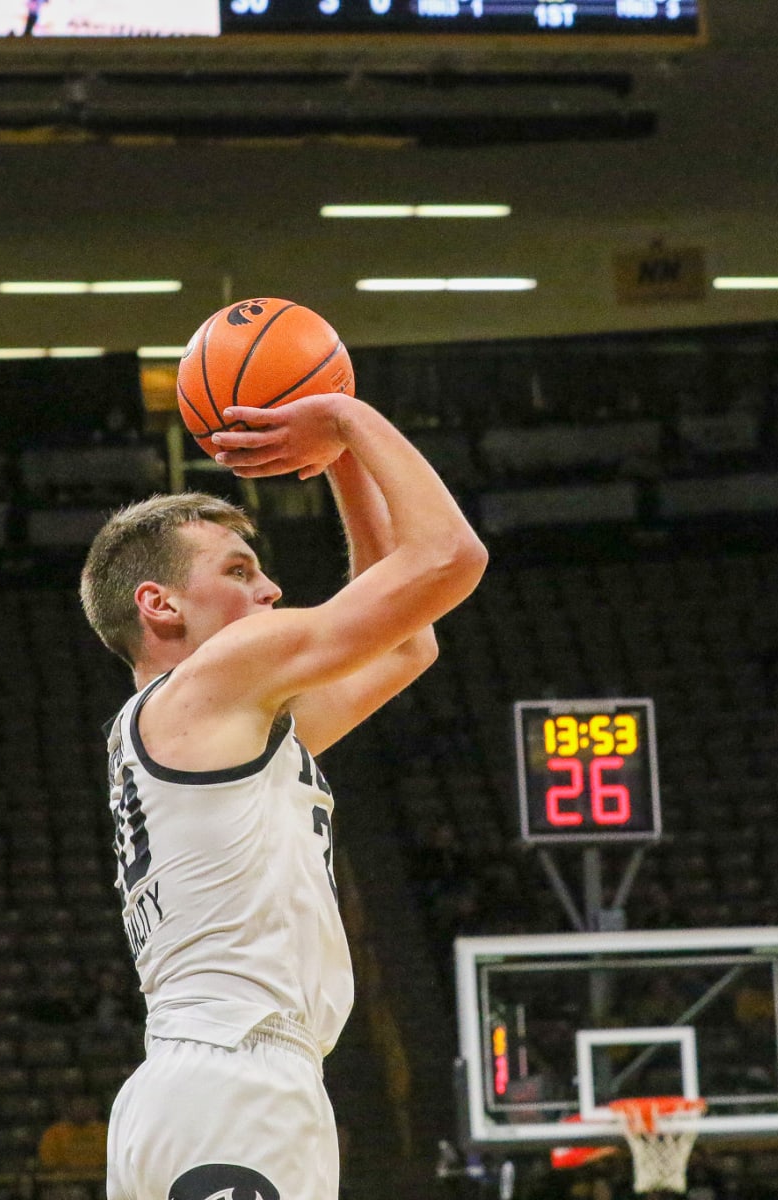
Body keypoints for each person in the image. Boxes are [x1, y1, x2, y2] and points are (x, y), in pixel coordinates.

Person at [80, 391, 487, 1200]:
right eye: (238, 572)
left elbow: (407, 641)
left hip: (198, 1083)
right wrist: (347, 416)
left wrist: (340, 467)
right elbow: (449, 558)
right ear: (158, 604)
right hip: (237, 1079)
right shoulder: (220, 679)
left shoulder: (202, 724)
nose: (269, 593)